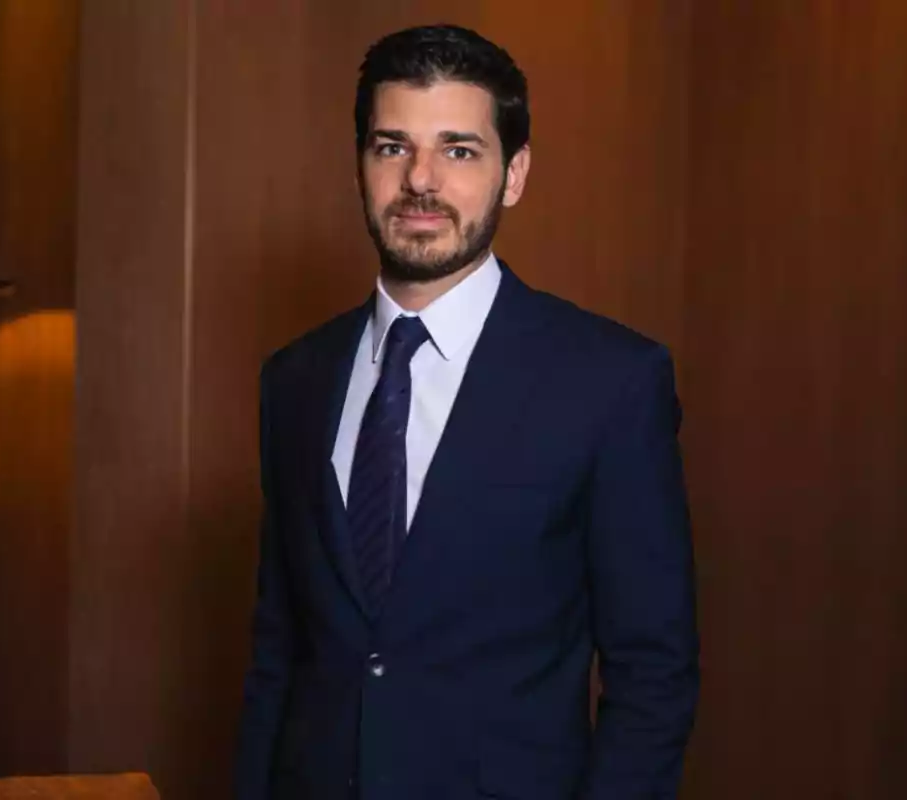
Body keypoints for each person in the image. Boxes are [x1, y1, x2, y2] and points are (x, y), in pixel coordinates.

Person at [234, 23, 699, 800]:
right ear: (360, 164)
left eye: (458, 150)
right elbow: (278, 652)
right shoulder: (295, 380)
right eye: (392, 146)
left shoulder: (612, 382)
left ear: (514, 174)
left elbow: (654, 673)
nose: (420, 180)